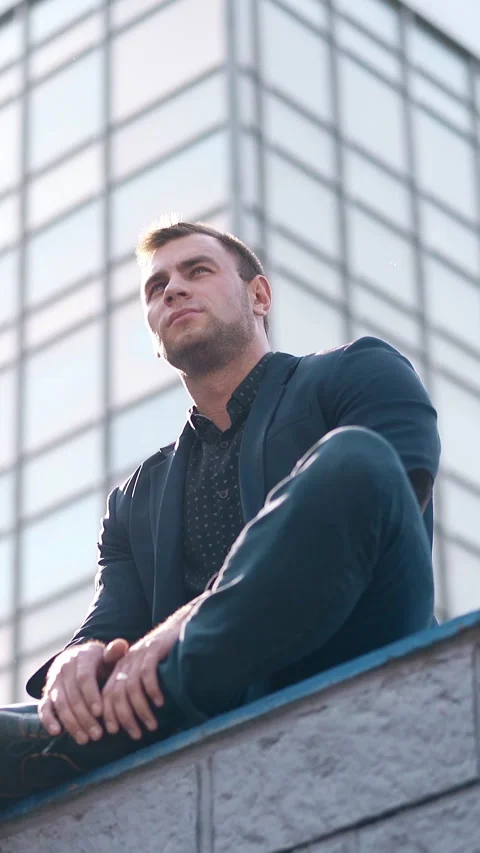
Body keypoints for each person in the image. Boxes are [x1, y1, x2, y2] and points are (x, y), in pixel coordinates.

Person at [0, 219, 440, 803]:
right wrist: (76, 662)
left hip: (356, 647)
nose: (173, 290)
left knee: (356, 458)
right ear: (155, 336)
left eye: (197, 270)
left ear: (259, 296)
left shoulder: (356, 371)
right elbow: (110, 627)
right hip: (195, 719)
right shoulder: (135, 499)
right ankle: (84, 729)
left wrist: (184, 623)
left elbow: (390, 489)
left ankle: (95, 735)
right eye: (156, 287)